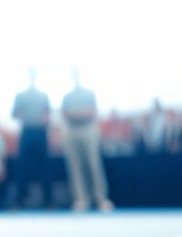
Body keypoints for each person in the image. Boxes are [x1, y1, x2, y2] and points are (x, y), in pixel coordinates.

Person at [59, 70, 113, 212]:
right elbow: (65, 114)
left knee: (93, 164)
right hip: (72, 131)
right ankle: (81, 200)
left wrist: (76, 114)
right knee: (75, 167)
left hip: (88, 129)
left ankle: (100, 199)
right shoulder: (67, 96)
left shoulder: (89, 93)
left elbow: (91, 112)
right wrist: (81, 114)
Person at [11, 68, 54, 209]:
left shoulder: (43, 96)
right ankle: (18, 201)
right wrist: (26, 116)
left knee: (45, 167)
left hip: (40, 132)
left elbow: (48, 114)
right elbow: (14, 114)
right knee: (22, 167)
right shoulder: (20, 96)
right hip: (27, 131)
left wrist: (43, 119)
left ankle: (49, 202)